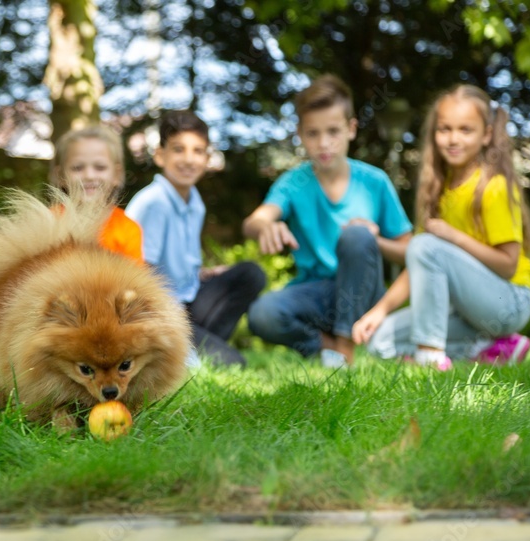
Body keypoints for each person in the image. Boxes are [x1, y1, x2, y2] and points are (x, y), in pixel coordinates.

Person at [352, 85, 530, 368]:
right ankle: (491, 346)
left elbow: (508, 265)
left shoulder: (494, 187)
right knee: (380, 341)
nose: (453, 139)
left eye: (466, 130)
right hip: (466, 310)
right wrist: (378, 311)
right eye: (444, 129)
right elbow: (419, 257)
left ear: (486, 134)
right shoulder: (439, 190)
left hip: (509, 302)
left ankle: (430, 356)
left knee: (427, 245)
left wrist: (453, 237)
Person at [243, 75, 413, 368]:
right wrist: (265, 226)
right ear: (300, 134)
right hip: (316, 295)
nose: (323, 143)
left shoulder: (375, 182)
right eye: (313, 133)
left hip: (364, 293)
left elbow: (411, 252)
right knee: (262, 314)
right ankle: (329, 349)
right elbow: (254, 222)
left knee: (357, 236)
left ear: (351, 129)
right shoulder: (293, 183)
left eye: (333, 131)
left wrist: (374, 238)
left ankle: (345, 350)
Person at [126, 110, 265, 368]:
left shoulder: (195, 202)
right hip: (158, 311)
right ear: (160, 155)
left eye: (198, 151)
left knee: (250, 274)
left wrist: (201, 273)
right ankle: (187, 351)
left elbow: (177, 264)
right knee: (234, 364)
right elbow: (140, 273)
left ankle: (196, 347)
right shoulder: (153, 202)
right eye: (178, 149)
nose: (189, 160)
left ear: (207, 157)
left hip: (188, 302)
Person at [51, 125, 143, 263]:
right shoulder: (49, 222)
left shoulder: (127, 229)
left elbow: (135, 282)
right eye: (78, 167)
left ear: (116, 175)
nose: (89, 175)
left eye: (100, 167)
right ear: (60, 176)